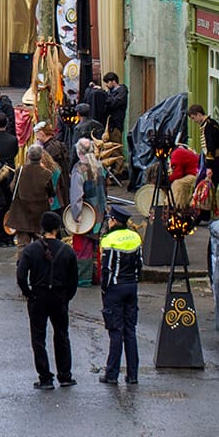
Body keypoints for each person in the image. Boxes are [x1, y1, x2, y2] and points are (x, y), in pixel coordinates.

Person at [16, 211, 79, 390]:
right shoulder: (67, 251)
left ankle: (45, 377)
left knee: (38, 337)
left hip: (38, 296)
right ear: (58, 229)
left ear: (42, 228)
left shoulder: (30, 250)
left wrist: (28, 293)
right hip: (59, 297)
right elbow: (74, 279)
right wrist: (67, 297)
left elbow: (21, 275)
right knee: (61, 335)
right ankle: (65, 375)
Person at [99, 206, 142, 385]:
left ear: (114, 221)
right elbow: (140, 264)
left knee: (116, 331)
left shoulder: (109, 240)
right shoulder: (135, 237)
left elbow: (106, 269)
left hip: (115, 288)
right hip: (131, 286)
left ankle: (112, 374)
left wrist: (104, 289)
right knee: (130, 331)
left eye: (109, 219)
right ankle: (132, 375)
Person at [70, 138, 107, 286]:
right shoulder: (99, 167)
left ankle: (84, 278)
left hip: (86, 213)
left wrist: (75, 215)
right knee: (97, 246)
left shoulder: (79, 170)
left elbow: (76, 196)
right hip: (100, 211)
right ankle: (98, 276)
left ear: (78, 152)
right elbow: (105, 190)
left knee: (83, 248)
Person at [5, 146, 55, 251]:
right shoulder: (47, 174)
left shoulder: (20, 170)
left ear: (28, 156)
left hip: (21, 212)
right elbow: (51, 192)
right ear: (41, 157)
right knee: (41, 245)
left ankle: (22, 265)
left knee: (22, 246)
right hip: (40, 213)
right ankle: (38, 266)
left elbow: (13, 188)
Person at [188, 103, 219, 189]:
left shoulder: (209, 126)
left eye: (194, 118)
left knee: (203, 189)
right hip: (211, 161)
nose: (194, 121)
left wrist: (209, 167)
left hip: (214, 161)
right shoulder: (209, 124)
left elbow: (210, 147)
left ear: (199, 114)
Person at [102, 72, 128, 142]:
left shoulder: (122, 92)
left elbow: (114, 103)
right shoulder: (110, 92)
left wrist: (104, 96)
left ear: (113, 81)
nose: (106, 85)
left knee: (115, 146)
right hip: (108, 124)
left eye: (108, 82)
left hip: (116, 125)